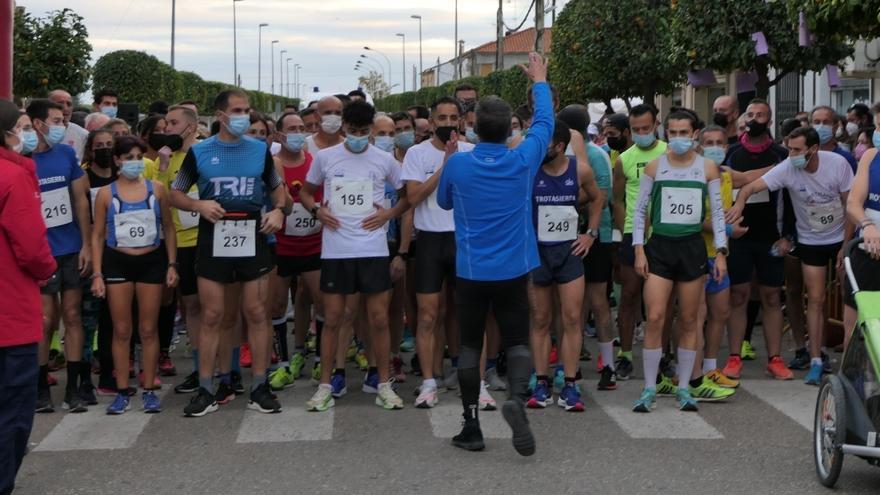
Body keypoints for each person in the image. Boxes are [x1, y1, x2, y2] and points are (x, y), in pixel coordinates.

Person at [436, 52, 550, 456]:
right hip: (514, 269)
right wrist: (540, 80)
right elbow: (545, 125)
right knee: (517, 339)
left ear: (474, 129)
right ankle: (516, 398)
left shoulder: (458, 166)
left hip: (470, 269)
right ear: (507, 132)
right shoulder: (522, 159)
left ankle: (471, 425)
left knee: (469, 346)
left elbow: (445, 204)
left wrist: (453, 161)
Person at [170, 89, 289, 416]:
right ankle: (206, 389)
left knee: (256, 313)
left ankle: (260, 386)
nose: (244, 117)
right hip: (213, 235)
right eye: (237, 110)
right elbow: (175, 194)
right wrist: (197, 204)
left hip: (252, 233)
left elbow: (278, 190)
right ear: (220, 116)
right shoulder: (200, 152)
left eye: (247, 110)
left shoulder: (259, 151)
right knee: (212, 315)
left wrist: (278, 212)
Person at [299, 100, 410, 412]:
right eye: (353, 131)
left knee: (378, 319)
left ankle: (384, 384)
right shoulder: (326, 158)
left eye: (364, 132)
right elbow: (306, 192)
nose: (358, 137)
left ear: (371, 130)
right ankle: (325, 385)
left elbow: (407, 197)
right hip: (336, 251)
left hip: (372, 250)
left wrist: (388, 214)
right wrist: (317, 211)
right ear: (344, 128)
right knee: (333, 318)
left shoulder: (384, 160)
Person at [728, 126, 853, 385]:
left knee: (848, 298)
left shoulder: (837, 164)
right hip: (810, 240)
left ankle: (852, 363)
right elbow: (750, 187)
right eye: (789, 148)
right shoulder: (787, 167)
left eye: (797, 149)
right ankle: (816, 359)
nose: (791, 154)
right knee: (815, 299)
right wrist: (739, 203)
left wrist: (846, 244)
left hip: (841, 237)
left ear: (813, 149)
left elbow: (849, 205)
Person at [630, 110, 729, 413]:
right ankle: (649, 388)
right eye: (672, 133)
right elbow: (639, 210)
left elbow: (718, 213)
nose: (678, 139)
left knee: (689, 320)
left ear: (695, 134)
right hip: (659, 247)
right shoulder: (654, 167)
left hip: (692, 249)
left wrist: (722, 252)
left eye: (684, 133)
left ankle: (684, 388)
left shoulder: (708, 168)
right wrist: (638, 249)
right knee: (656, 317)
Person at [90, 136, 178, 413]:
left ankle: (149, 388)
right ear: (117, 160)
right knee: (122, 330)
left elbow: (169, 226)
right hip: (118, 263)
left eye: (139, 157)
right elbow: (97, 236)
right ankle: (122, 390)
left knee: (148, 329)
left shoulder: (158, 189)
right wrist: (96, 274)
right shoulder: (106, 193)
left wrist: (172, 264)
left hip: (151, 261)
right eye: (128, 158)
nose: (134, 162)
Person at [0, 99, 57, 495]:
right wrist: (48, 269)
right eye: (20, 126)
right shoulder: (13, 176)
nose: (28, 134)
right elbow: (33, 248)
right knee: (12, 412)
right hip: (9, 311)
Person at [402, 96, 475, 409]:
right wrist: (445, 166)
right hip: (431, 240)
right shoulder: (416, 154)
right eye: (441, 118)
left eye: (453, 118)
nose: (447, 123)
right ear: (431, 123)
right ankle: (429, 381)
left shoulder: (472, 151)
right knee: (429, 315)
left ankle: (470, 376)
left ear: (460, 120)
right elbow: (414, 196)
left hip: (463, 239)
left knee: (467, 313)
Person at [527, 118, 602, 412]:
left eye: (543, 144)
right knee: (541, 320)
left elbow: (597, 199)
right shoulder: (530, 170)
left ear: (559, 146)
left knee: (571, 318)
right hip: (538, 254)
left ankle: (570, 384)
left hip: (569, 252)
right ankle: (542, 381)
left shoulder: (579, 169)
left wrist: (590, 235)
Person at [27, 99, 93, 413]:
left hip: (69, 249)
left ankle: (76, 389)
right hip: (40, 253)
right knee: (45, 321)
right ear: (38, 124)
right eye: (55, 120)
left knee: (73, 315)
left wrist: (87, 245)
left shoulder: (66, 155)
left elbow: (81, 202)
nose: (61, 125)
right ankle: (40, 390)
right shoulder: (22, 160)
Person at [722, 99, 793, 382]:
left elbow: (790, 196)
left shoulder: (782, 154)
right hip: (738, 234)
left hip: (771, 236)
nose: (754, 119)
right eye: (749, 114)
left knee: (772, 297)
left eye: (760, 114)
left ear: (770, 119)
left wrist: (788, 235)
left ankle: (775, 359)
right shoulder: (731, 152)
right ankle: (734, 356)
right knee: (738, 295)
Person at [144, 105, 203, 394]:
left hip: (207, 240)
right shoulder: (161, 160)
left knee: (217, 308)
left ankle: (222, 367)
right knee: (190, 306)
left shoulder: (205, 154)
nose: (166, 128)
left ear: (190, 128)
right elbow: (161, 204)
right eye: (166, 123)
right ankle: (198, 366)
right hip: (179, 243)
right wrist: (164, 168)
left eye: (173, 123)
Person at [559, 105, 618, 391]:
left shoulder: (596, 156)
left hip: (595, 236)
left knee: (597, 300)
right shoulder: (558, 155)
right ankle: (569, 364)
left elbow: (602, 198)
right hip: (562, 236)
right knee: (570, 305)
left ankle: (608, 365)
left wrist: (564, 199)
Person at [268, 112, 325, 391]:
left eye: (302, 128)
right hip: (281, 246)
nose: (298, 133)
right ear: (279, 135)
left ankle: (320, 359)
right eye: (292, 129)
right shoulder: (272, 165)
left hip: (314, 244)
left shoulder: (316, 163)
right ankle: (284, 361)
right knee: (277, 305)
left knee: (321, 301)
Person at [612, 104, 667, 380]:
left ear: (656, 124)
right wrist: (626, 232)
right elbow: (617, 200)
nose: (642, 134)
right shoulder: (624, 159)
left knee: (663, 301)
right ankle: (625, 354)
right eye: (636, 130)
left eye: (646, 128)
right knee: (630, 295)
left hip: (665, 233)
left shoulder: (669, 152)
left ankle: (663, 354)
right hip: (634, 236)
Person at [844, 103, 880, 349]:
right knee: (854, 329)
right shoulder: (871, 156)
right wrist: (867, 226)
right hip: (866, 253)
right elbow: (853, 203)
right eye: (879, 126)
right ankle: (854, 383)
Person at [811, 106, 858, 173]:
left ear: (835, 127)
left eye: (826, 122)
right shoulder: (805, 156)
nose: (821, 126)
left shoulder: (846, 159)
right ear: (811, 126)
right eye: (817, 122)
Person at [48, 89, 90, 161]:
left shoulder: (83, 135)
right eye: (60, 104)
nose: (66, 108)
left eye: (69, 104)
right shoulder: (38, 132)